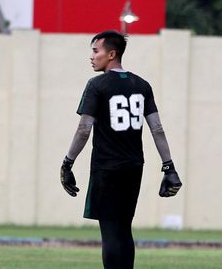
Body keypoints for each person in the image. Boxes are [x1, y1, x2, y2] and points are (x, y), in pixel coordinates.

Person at [60, 30, 182, 269]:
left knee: (110, 231)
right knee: (124, 229)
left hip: (107, 168)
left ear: (111, 54)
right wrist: (169, 165)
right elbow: (156, 128)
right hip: (134, 167)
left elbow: (84, 129)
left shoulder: (97, 85)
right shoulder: (142, 85)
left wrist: (68, 162)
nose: (92, 56)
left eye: (96, 51)